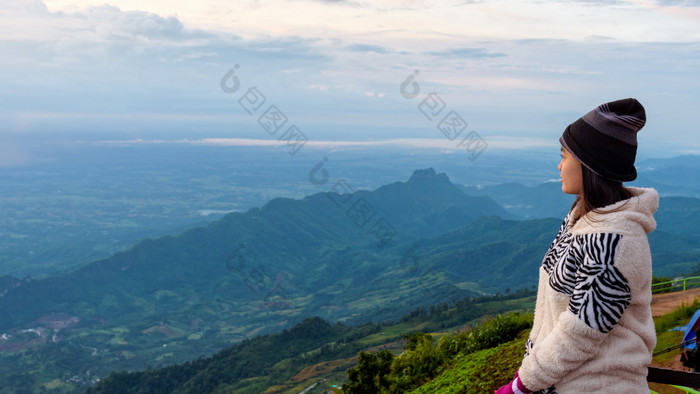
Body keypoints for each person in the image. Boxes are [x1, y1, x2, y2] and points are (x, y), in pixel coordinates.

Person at [496, 98, 658, 393]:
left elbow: (581, 330)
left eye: (564, 156)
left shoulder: (615, 241)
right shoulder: (582, 218)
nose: (559, 166)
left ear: (588, 164)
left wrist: (521, 385)